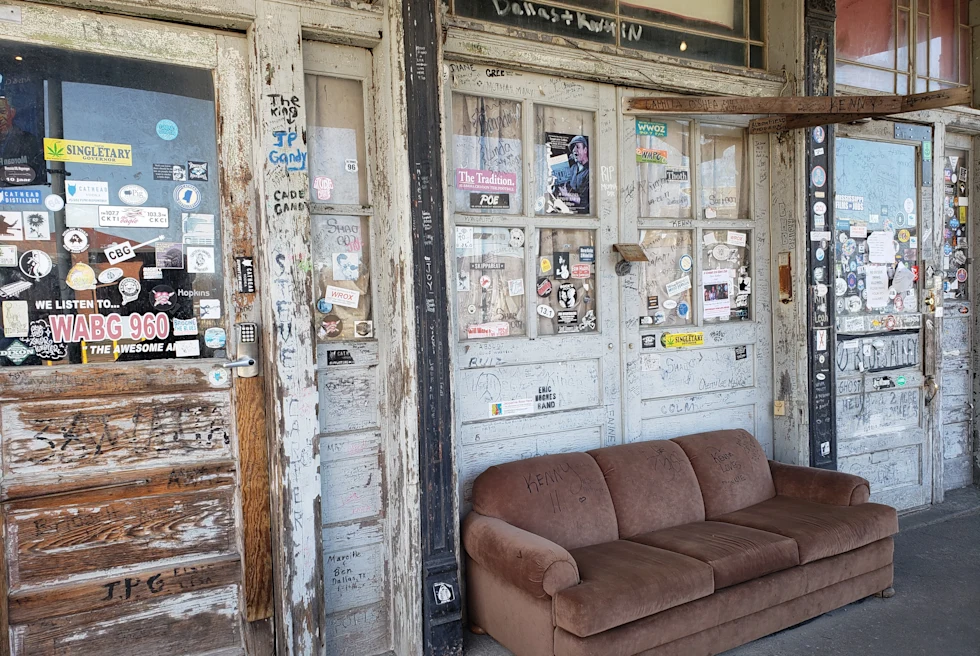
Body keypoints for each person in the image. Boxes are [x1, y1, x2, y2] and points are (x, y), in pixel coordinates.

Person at [559, 135, 589, 214]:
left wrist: (566, 195)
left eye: (577, 147)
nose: (574, 150)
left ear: (585, 150)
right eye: (573, 148)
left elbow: (584, 201)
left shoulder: (589, 171)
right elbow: (567, 186)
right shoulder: (573, 168)